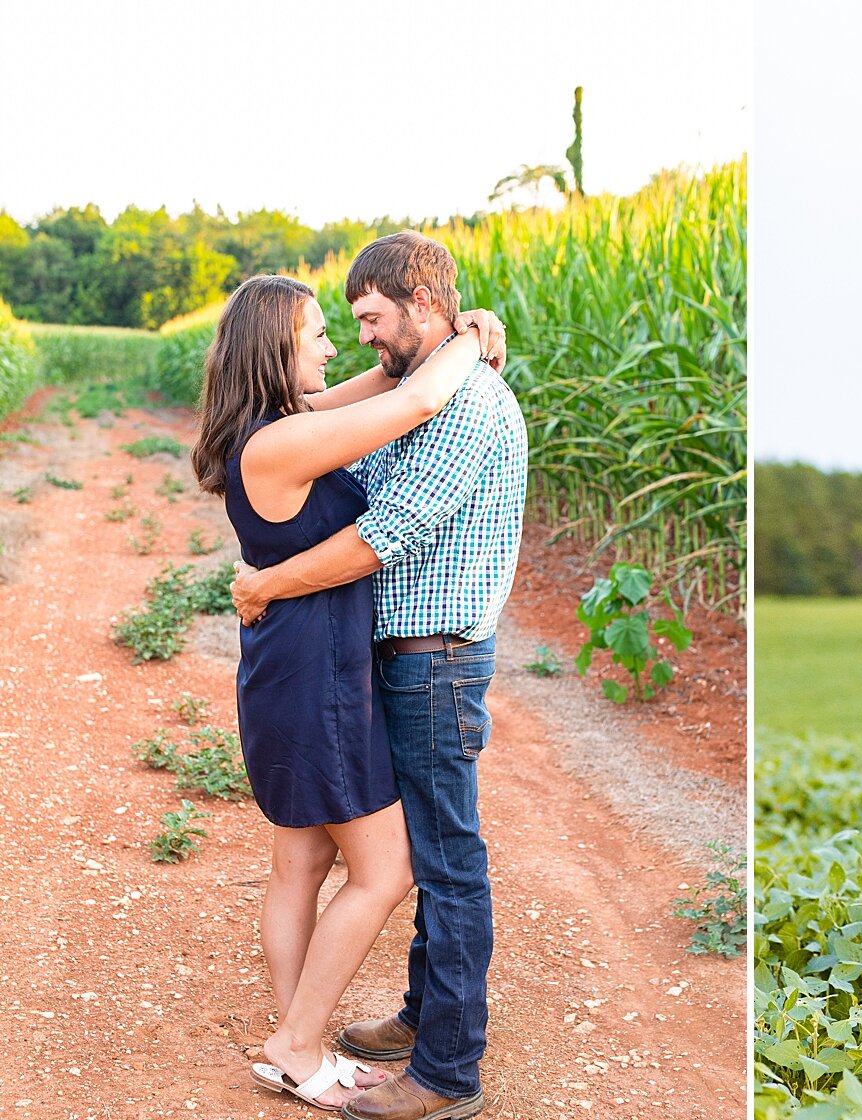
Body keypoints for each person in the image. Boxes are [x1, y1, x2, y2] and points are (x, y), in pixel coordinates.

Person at [231, 231, 528, 1120]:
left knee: (437, 862)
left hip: (427, 664)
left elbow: (379, 534)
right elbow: (371, 414)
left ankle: (444, 1070)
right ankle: (353, 1033)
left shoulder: (461, 404)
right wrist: (463, 340)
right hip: (359, 663)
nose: (349, 339)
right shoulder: (345, 414)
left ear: (421, 307)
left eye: (364, 318)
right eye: (330, 326)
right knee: (391, 857)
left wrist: (265, 583)